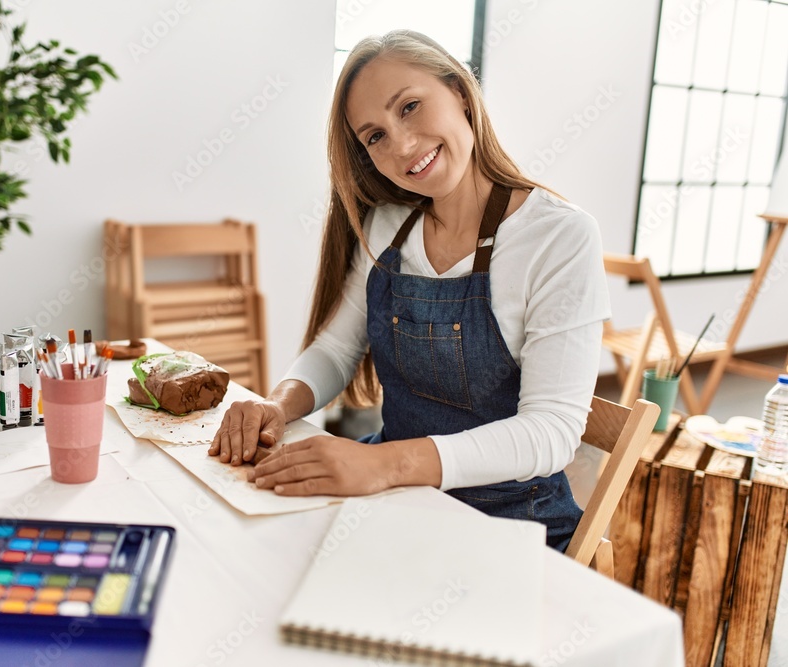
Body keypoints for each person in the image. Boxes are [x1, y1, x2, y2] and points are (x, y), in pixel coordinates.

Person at [207, 29, 609, 552]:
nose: (400, 145)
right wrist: (278, 408)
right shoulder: (387, 225)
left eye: (410, 107)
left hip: (510, 522)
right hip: (394, 494)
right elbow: (335, 350)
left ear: (460, 93)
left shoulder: (558, 236)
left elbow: (551, 432)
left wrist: (385, 464)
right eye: (374, 136)